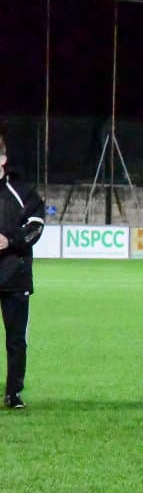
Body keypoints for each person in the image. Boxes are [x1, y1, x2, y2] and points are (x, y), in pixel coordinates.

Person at [0, 123, 44, 410]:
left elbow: (36, 227)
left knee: (16, 340)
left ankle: (13, 393)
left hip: (14, 276)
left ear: (3, 159)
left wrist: (9, 240)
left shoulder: (23, 192)